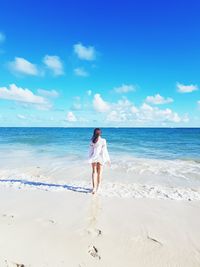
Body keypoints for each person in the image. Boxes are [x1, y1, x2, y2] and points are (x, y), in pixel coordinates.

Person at [88, 128, 110, 194]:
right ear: (100, 133)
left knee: (94, 172)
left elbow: (90, 151)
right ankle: (98, 187)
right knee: (99, 173)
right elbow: (105, 151)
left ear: (94, 133)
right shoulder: (103, 140)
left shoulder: (92, 140)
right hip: (100, 157)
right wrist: (107, 159)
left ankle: (94, 188)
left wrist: (89, 158)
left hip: (94, 157)